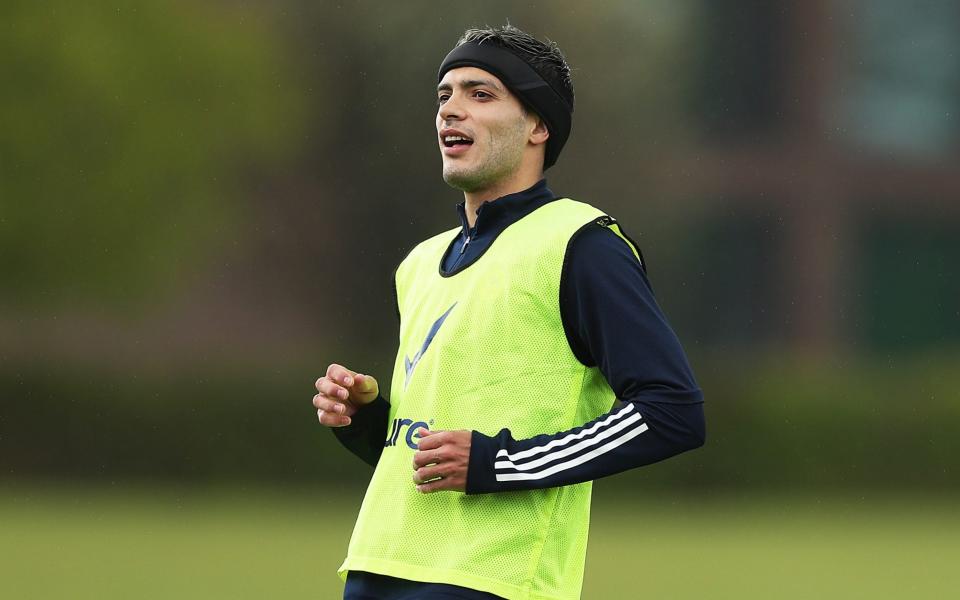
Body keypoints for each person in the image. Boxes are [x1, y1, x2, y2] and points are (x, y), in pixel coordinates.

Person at [312, 24, 705, 600]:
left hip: (495, 581)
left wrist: (502, 463)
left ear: (539, 127)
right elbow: (429, 457)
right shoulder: (419, 264)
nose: (451, 110)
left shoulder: (582, 244)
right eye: (444, 95)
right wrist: (367, 420)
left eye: (480, 94)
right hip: (377, 571)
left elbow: (673, 412)